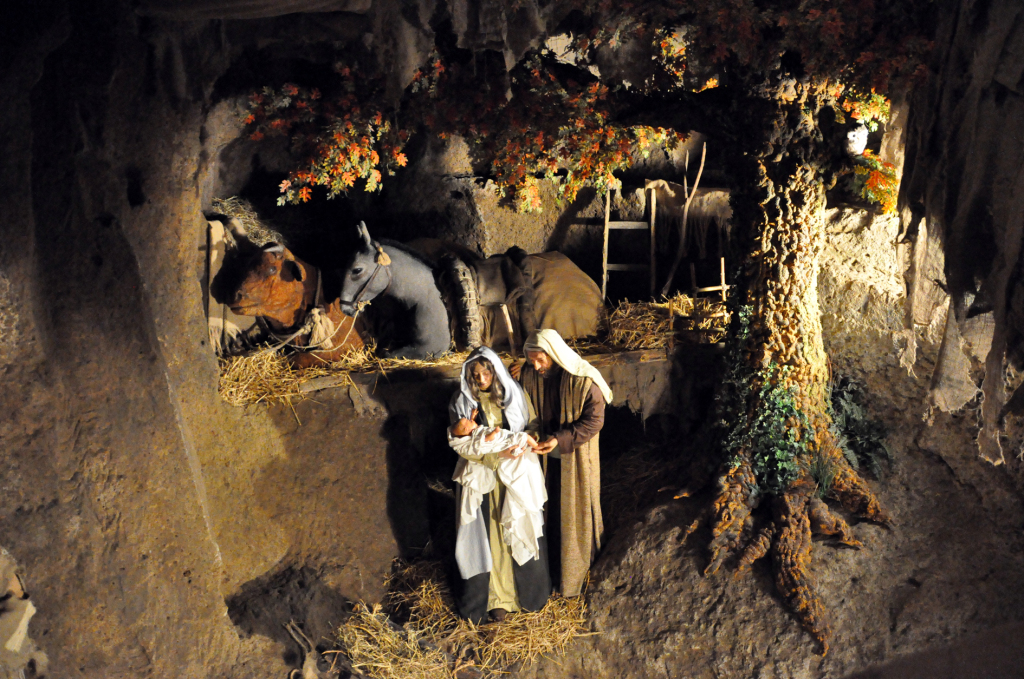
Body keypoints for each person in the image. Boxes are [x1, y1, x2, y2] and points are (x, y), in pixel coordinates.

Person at [449, 346, 552, 623]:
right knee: (489, 534)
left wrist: (524, 442)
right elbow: (460, 442)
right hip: (482, 479)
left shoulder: (514, 394)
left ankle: (524, 597)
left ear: (495, 372)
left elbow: (533, 425)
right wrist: (495, 456)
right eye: (476, 375)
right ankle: (495, 599)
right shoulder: (461, 402)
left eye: (487, 373)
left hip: (515, 476)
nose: (482, 379)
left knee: (517, 527)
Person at [514, 329, 611, 598]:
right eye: (531, 360)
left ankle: (575, 577)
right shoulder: (531, 373)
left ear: (554, 354)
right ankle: (549, 577)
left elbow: (595, 420)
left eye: (540, 360)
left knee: (575, 514)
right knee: (549, 514)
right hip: (543, 459)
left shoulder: (584, 380)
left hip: (574, 459)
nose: (536, 366)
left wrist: (560, 438)